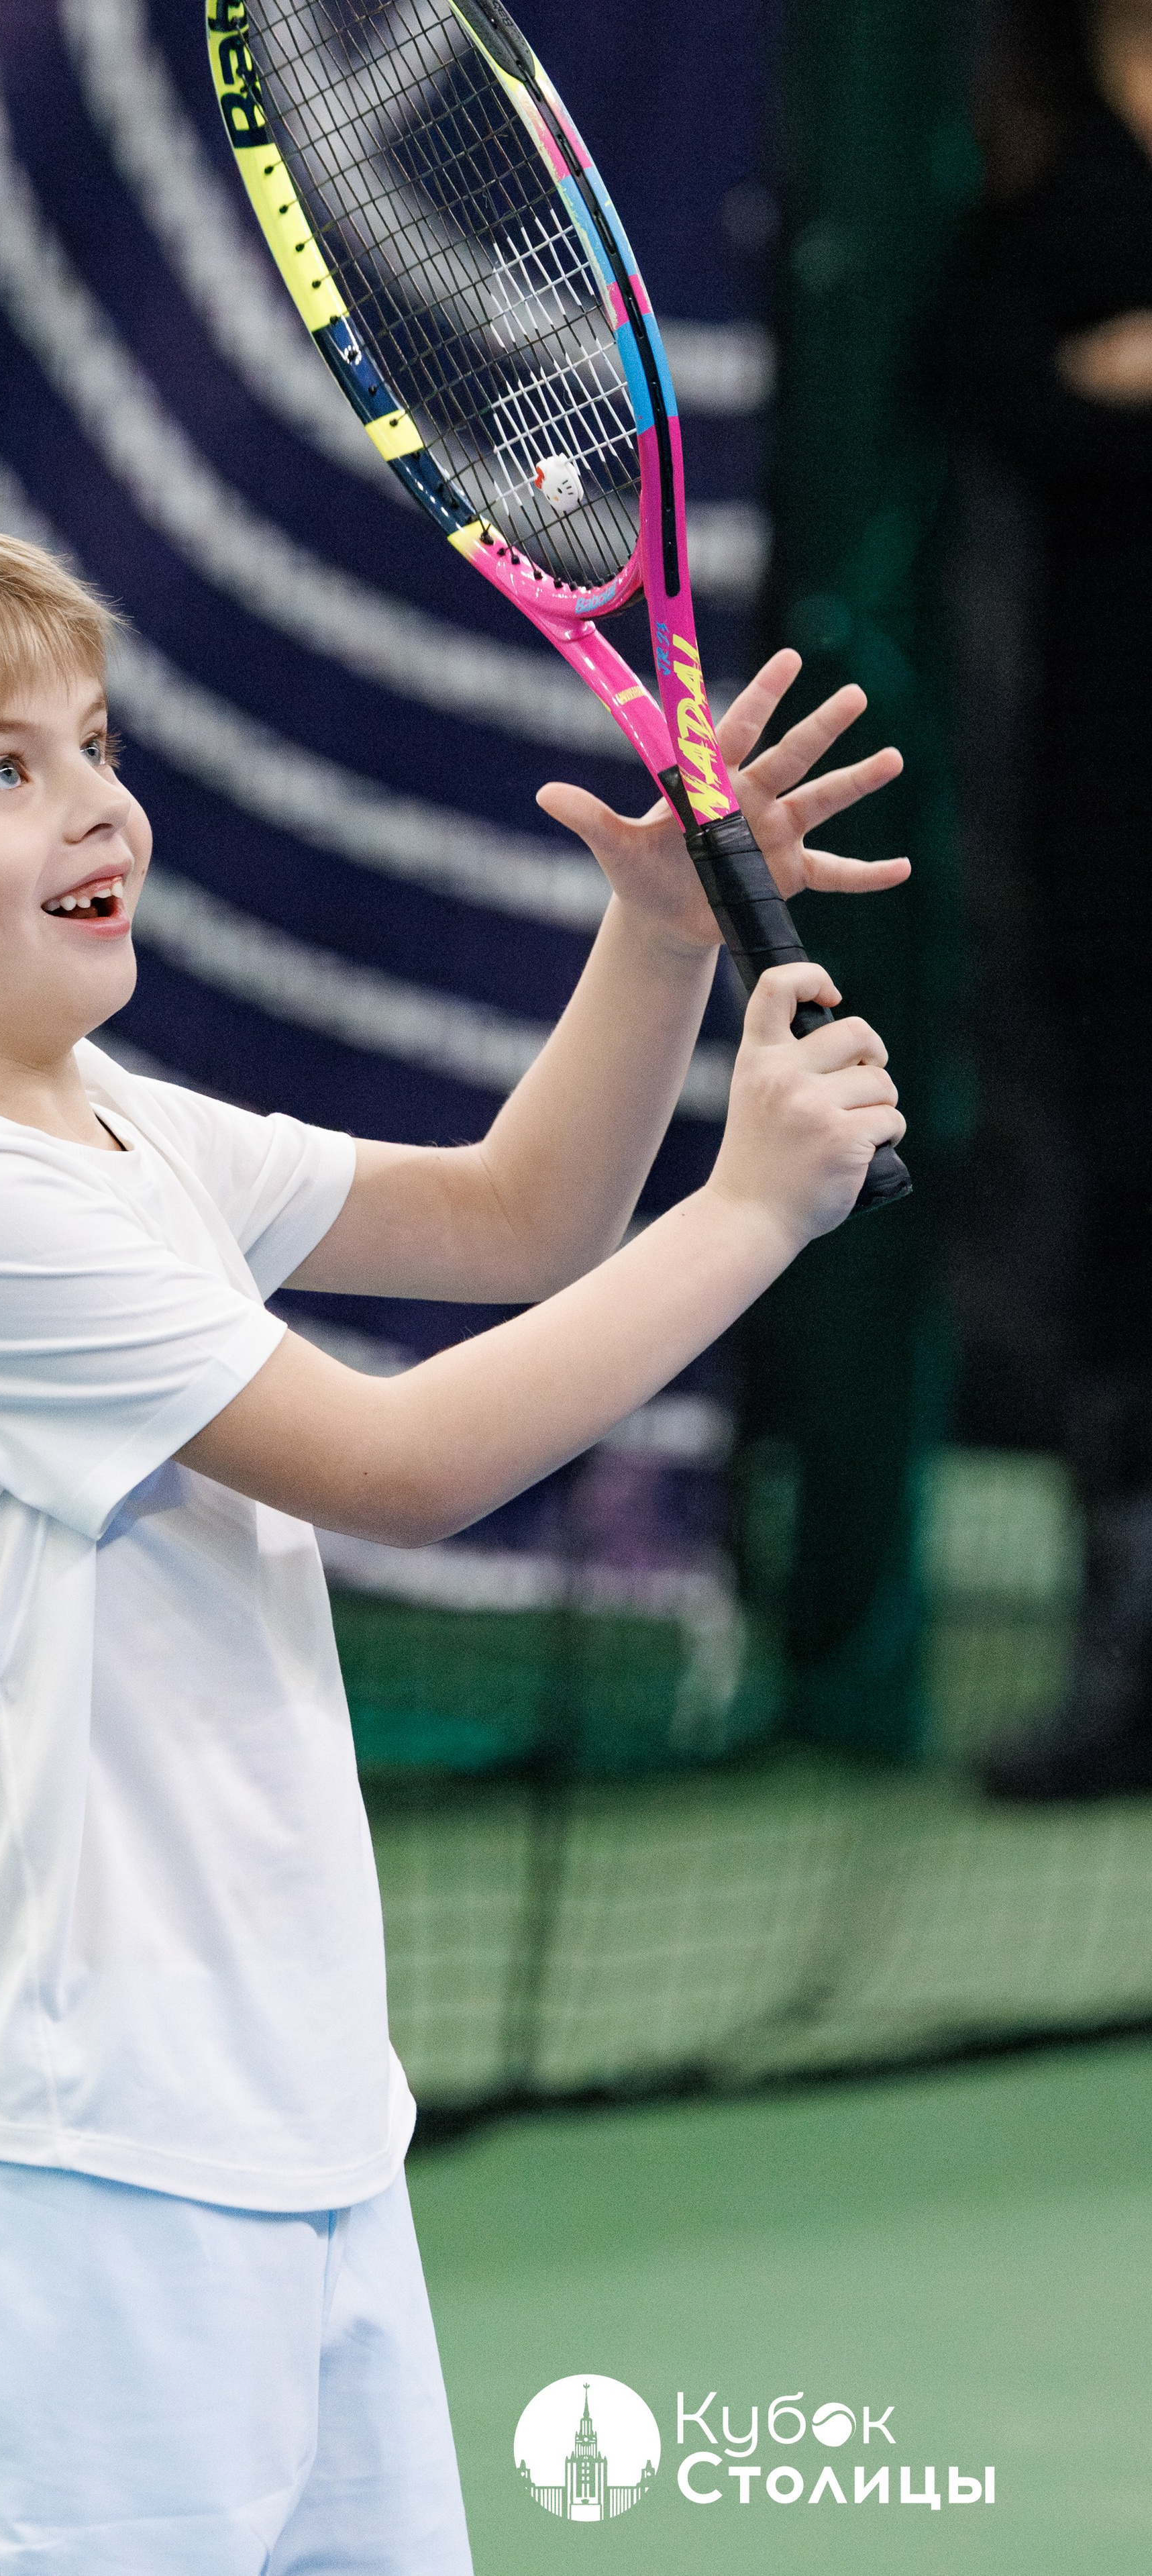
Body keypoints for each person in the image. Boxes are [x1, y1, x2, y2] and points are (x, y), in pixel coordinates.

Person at [0, 501, 906, 2574]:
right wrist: (749, 1212)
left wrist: (660, 935)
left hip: (306, 2137)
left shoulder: (114, 1124)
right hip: (77, 2183)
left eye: (94, 742)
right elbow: (401, 1464)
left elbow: (515, 1219)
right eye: (1, 769)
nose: (94, 802)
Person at [963, 0, 1152, 1797]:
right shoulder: (1039, 166)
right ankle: (1128, 1662)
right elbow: (998, 384)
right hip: (1109, 791)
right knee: (1127, 1194)